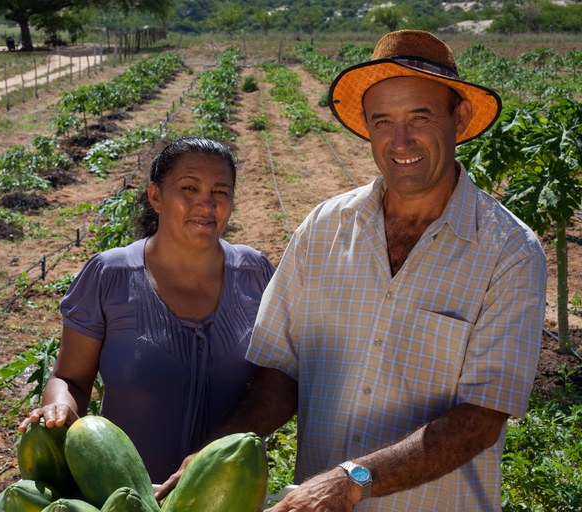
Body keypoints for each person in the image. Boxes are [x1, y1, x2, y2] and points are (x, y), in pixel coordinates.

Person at [163, 30, 547, 511]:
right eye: (382, 121)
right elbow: (281, 374)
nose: (399, 140)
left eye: (420, 118)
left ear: (460, 117)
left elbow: (480, 420)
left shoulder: (508, 251)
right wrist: (209, 456)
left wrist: (352, 480)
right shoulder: (324, 228)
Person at [18, 137, 275, 484]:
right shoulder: (110, 276)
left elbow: (275, 379)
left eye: (220, 191)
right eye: (189, 187)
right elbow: (70, 378)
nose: (206, 203)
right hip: (123, 495)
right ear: (156, 196)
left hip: (228, 492)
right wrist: (59, 407)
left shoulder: (256, 274)